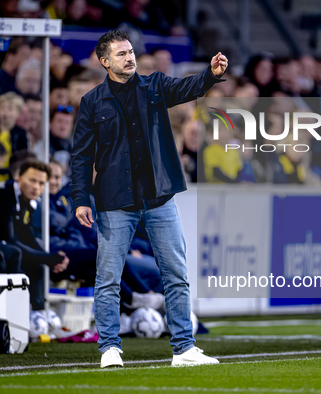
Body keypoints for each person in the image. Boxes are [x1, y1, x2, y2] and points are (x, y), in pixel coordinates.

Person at [70, 30, 226, 368]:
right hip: (114, 201)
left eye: (130, 51)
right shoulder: (92, 102)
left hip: (159, 198)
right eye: (122, 54)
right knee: (108, 278)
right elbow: (80, 156)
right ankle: (109, 348)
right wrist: (81, 198)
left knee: (176, 273)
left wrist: (210, 75)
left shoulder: (155, 85)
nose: (130, 57)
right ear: (104, 61)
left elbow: (189, 88)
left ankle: (184, 348)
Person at [0, 160, 69, 311]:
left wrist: (51, 258)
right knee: (14, 253)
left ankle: (38, 312)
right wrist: (49, 258)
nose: (36, 187)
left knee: (37, 262)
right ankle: (13, 311)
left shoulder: (29, 202)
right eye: (32, 180)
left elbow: (28, 237)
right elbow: (11, 239)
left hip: (3, 244)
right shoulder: (3, 199)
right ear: (20, 179)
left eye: (42, 183)